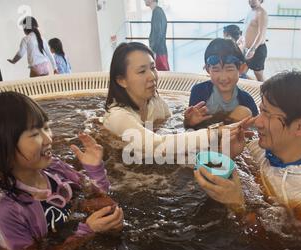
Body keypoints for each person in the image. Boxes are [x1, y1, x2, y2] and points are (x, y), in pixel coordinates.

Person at [0, 92, 124, 250]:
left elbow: (101, 197)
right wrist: (87, 231)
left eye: (46, 127)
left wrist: (95, 170)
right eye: (35, 134)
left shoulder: (56, 168)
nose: (49, 139)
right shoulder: (7, 213)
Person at [194, 71, 301, 224]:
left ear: (300, 126)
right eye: (261, 110)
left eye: (267, 114)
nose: (257, 122)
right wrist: (229, 154)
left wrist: (237, 205)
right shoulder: (257, 149)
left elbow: (287, 246)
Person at [102, 42, 249, 161]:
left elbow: (173, 134)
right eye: (142, 71)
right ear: (121, 80)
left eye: (153, 68)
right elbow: (157, 145)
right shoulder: (118, 117)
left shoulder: (154, 102)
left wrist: (188, 122)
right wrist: (216, 133)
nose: (152, 76)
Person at [184, 38, 259, 130]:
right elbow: (190, 130)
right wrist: (189, 122)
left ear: (241, 69)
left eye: (229, 69)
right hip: (207, 138)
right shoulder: (199, 91)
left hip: (232, 141)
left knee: (243, 112)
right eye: (216, 69)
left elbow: (257, 128)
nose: (223, 77)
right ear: (208, 69)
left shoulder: (246, 100)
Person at [243, 0, 268, 82]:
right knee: (241, 73)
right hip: (246, 49)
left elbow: (261, 34)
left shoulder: (262, 13)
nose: (252, 1)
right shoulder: (250, 12)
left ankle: (267, 93)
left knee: (259, 75)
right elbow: (246, 30)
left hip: (256, 50)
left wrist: (252, 49)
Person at [144, 0, 170, 71]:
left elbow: (158, 33)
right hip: (160, 50)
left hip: (159, 52)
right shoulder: (158, 11)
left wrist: (153, 50)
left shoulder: (157, 12)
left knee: (163, 77)